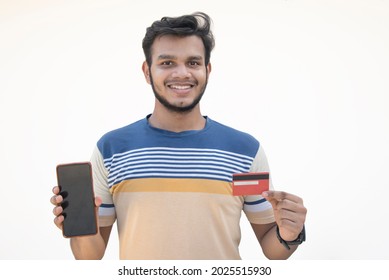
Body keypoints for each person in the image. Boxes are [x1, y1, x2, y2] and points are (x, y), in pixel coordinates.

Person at [51, 12, 307, 260]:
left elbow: (272, 248)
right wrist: (79, 226)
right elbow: (90, 256)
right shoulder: (112, 149)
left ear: (207, 70)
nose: (182, 73)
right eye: (167, 63)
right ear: (147, 71)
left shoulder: (243, 150)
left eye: (193, 62)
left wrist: (290, 234)